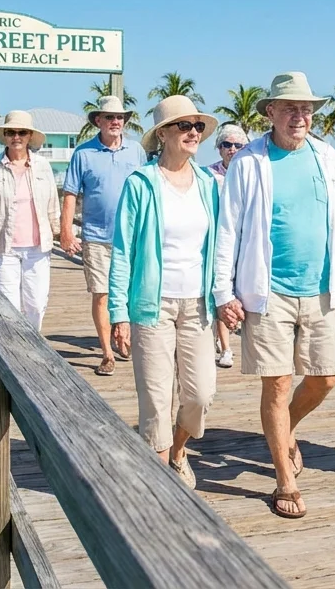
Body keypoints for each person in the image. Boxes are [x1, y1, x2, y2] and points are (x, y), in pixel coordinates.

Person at [214, 71, 335, 519]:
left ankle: (287, 430)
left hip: (323, 290)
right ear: (270, 112)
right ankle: (284, 480)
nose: (299, 116)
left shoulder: (326, 158)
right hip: (267, 293)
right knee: (278, 381)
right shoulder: (249, 162)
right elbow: (227, 231)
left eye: (305, 109)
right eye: (289, 108)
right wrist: (223, 292)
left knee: (326, 377)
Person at [108, 96, 221, 489]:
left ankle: (178, 448)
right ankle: (160, 486)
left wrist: (224, 300)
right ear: (163, 134)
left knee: (201, 394)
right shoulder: (142, 183)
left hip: (198, 304)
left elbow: (221, 246)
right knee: (156, 400)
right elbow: (123, 250)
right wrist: (117, 313)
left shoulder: (209, 184)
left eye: (198, 127)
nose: (194, 132)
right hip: (151, 305)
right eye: (184, 126)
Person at [62, 95, 147, 376]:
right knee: (101, 294)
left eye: (120, 117)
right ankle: (107, 353)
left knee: (132, 293)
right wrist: (66, 231)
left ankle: (125, 336)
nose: (115, 122)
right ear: (98, 120)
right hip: (96, 235)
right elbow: (71, 194)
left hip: (132, 235)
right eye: (109, 117)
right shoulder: (83, 154)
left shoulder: (136, 151)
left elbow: (148, 191)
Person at [0, 110, 61, 330]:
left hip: (37, 247)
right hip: (3, 248)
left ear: (30, 136)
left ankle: (32, 344)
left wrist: (62, 235)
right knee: (7, 305)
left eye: (22, 132)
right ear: (5, 136)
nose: (16, 137)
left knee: (37, 304)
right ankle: (12, 352)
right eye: (11, 132)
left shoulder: (43, 167)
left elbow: (52, 206)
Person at [207, 123, 249, 369]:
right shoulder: (208, 175)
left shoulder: (251, 171)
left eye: (237, 145)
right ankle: (226, 348)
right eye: (226, 144)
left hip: (245, 244)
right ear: (219, 148)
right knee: (222, 291)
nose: (232, 149)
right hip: (218, 241)